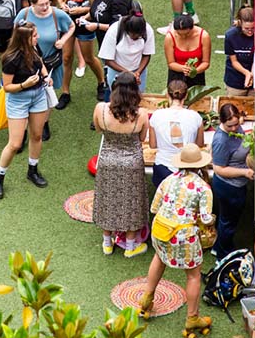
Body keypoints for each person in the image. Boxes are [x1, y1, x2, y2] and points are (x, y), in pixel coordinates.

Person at [138, 143, 216, 335]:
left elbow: (154, 208)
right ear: (200, 164)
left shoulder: (169, 180)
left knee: (159, 258)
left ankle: (146, 300)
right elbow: (206, 219)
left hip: (161, 230)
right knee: (193, 275)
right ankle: (192, 318)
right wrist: (211, 219)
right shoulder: (203, 188)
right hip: (183, 236)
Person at [0, 21, 52, 199]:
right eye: (34, 35)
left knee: (37, 136)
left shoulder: (34, 49)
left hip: (39, 96)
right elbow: (7, 87)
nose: (38, 37)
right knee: (15, 143)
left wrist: (46, 76)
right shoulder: (10, 59)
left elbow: (40, 62)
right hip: (18, 99)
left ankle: (32, 170)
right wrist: (25, 84)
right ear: (25, 39)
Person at [92, 71, 149, 257]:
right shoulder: (141, 114)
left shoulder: (100, 109)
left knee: (107, 199)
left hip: (107, 160)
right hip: (131, 162)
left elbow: (99, 129)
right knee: (132, 201)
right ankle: (131, 246)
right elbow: (141, 138)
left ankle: (107, 243)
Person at [14, 0, 73, 139]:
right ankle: (24, 128)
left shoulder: (56, 14)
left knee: (47, 92)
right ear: (31, 4)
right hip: (28, 62)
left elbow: (72, 26)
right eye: (41, 5)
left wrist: (63, 40)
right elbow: (15, 33)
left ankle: (44, 123)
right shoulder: (24, 14)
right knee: (26, 94)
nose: (45, 7)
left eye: (47, 3)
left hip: (50, 62)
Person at [83, 0, 130, 103]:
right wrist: (84, 18)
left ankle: (110, 108)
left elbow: (118, 26)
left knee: (113, 78)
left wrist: (96, 26)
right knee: (108, 74)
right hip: (103, 42)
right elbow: (94, 10)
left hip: (115, 46)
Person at [55, 0, 97, 109]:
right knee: (66, 58)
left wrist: (82, 10)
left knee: (89, 58)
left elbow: (96, 5)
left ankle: (101, 82)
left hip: (85, 22)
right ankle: (65, 92)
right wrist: (61, 4)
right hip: (68, 21)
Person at [211, 102, 253, 257]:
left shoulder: (236, 127)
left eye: (236, 124)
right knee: (228, 221)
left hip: (238, 184)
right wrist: (244, 172)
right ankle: (223, 254)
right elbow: (219, 169)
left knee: (228, 219)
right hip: (228, 186)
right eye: (230, 126)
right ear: (222, 122)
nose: (234, 128)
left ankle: (219, 246)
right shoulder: (221, 141)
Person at [148, 79, 204, 186]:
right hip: (188, 166)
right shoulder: (195, 116)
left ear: (167, 94)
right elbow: (199, 144)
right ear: (186, 95)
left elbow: (153, 144)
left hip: (163, 167)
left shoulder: (156, 115)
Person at [99, 13, 155, 91]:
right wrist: (128, 73)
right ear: (127, 29)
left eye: (138, 36)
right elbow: (108, 60)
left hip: (138, 71)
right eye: (133, 36)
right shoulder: (114, 30)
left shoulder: (148, 30)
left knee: (138, 97)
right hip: (117, 71)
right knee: (118, 97)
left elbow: (147, 55)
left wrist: (138, 73)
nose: (135, 38)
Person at [163, 13, 210, 87]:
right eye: (179, 34)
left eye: (187, 33)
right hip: (176, 77)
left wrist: (195, 71)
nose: (183, 36)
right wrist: (183, 68)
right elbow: (171, 63)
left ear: (192, 28)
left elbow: (206, 62)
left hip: (197, 76)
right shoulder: (170, 37)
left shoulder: (204, 36)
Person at [223, 6, 255, 96]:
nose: (250, 32)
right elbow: (234, 61)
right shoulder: (230, 35)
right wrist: (247, 73)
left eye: (253, 28)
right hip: (234, 80)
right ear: (240, 23)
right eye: (247, 29)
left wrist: (251, 74)